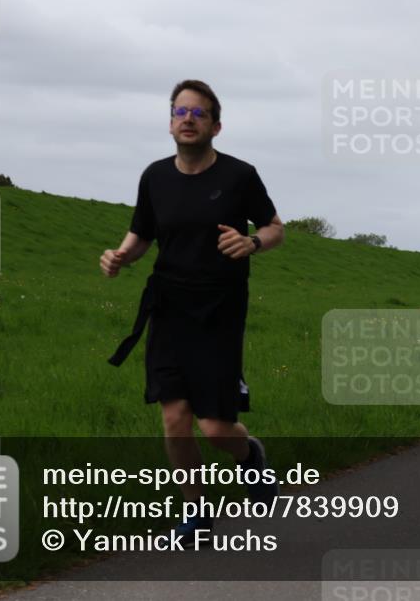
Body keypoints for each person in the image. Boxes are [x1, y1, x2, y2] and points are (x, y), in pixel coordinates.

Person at [101, 79, 284, 545]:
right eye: (179, 111)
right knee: (175, 418)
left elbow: (274, 227)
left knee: (216, 426)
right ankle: (196, 514)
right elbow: (141, 232)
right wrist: (121, 255)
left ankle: (250, 456)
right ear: (169, 122)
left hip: (220, 312)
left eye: (198, 113)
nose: (187, 119)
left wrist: (253, 242)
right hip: (169, 308)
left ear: (216, 126)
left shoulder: (239, 177)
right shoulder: (155, 177)